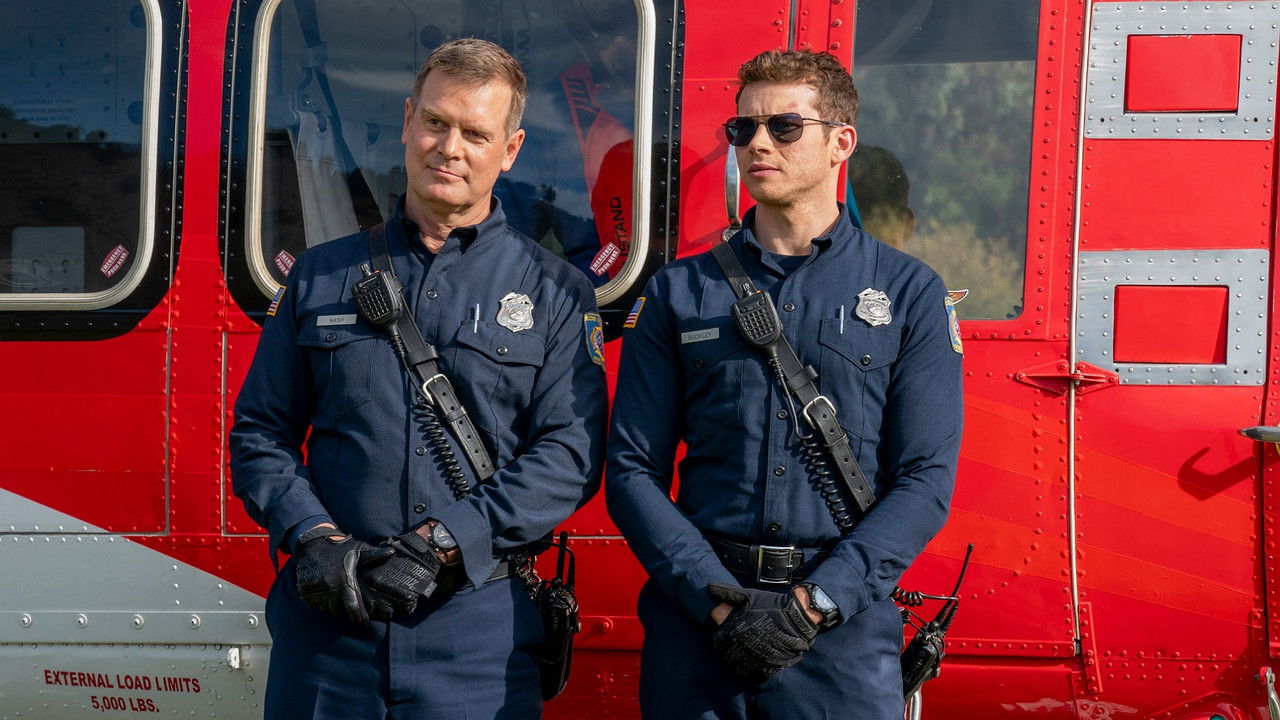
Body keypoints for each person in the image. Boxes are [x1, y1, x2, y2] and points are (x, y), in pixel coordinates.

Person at [230, 38, 607, 720]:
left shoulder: (556, 292)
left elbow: (569, 457)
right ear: (408, 121)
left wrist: (444, 542)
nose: (449, 148)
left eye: (475, 134)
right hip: (329, 630)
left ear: (510, 149)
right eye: (436, 122)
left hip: (477, 640)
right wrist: (312, 536)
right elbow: (260, 433)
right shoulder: (320, 275)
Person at [605, 49, 964, 719]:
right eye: (743, 128)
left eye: (784, 126)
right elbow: (630, 471)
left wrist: (814, 604)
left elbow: (925, 479)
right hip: (700, 631)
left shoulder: (910, 293)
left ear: (841, 143)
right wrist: (715, 601)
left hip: (840, 638)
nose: (758, 143)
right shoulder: (678, 292)